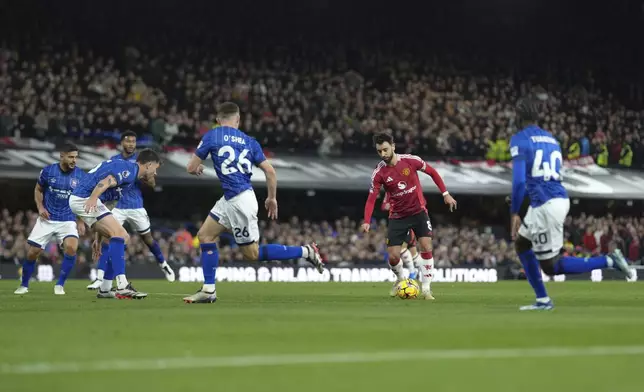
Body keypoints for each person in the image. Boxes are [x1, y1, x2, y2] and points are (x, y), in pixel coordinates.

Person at [182, 102, 324, 304]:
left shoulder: (212, 135)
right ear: (238, 120)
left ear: (217, 120)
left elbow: (191, 167)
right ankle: (208, 290)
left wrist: (196, 170)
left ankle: (306, 251)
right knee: (205, 235)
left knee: (252, 254)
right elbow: (270, 171)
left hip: (238, 201)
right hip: (235, 198)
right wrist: (271, 198)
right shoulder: (250, 141)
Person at [509, 97, 635, 311]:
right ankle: (542, 299)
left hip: (545, 205)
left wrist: (514, 212)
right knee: (522, 243)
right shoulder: (552, 139)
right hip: (554, 198)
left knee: (551, 266)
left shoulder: (519, 140)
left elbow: (519, 181)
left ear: (519, 117)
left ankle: (609, 261)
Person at [362, 132, 457, 300]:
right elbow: (371, 199)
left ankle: (426, 289)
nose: (383, 154)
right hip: (398, 216)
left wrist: (446, 194)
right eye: (379, 151)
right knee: (392, 256)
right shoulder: (379, 173)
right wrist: (367, 221)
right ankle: (400, 280)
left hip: (419, 212)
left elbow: (433, 172)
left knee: (426, 246)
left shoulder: (410, 160)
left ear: (393, 146)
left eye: (385, 149)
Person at [87, 131, 175, 290]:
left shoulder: (141, 161)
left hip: (136, 206)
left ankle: (163, 264)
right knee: (109, 238)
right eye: (128, 141)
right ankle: (100, 278)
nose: (131, 144)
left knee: (147, 239)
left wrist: (148, 176)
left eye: (133, 142)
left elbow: (152, 184)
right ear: (122, 143)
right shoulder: (114, 161)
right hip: (117, 206)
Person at [69, 149, 161, 299]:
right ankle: (122, 285)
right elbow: (105, 182)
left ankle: (105, 289)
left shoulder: (130, 180)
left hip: (85, 199)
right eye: (156, 169)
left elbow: (108, 208)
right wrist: (92, 198)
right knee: (121, 235)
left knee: (120, 236)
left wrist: (98, 239)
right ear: (149, 165)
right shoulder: (130, 170)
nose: (155, 173)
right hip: (84, 198)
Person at [14, 143, 87, 295]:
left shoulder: (81, 176)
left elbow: (82, 199)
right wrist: (40, 208)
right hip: (48, 218)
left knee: (72, 248)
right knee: (33, 252)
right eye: (71, 157)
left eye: (76, 157)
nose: (74, 160)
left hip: (67, 219)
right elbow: (38, 189)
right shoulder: (48, 171)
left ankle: (60, 285)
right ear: (62, 156)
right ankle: (24, 285)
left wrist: (80, 220)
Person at [382, 192, 419, 281]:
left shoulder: (406, 190)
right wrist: (390, 206)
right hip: (395, 224)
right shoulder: (389, 192)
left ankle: (413, 272)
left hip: (406, 223)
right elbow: (383, 206)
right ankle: (421, 271)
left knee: (402, 248)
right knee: (413, 254)